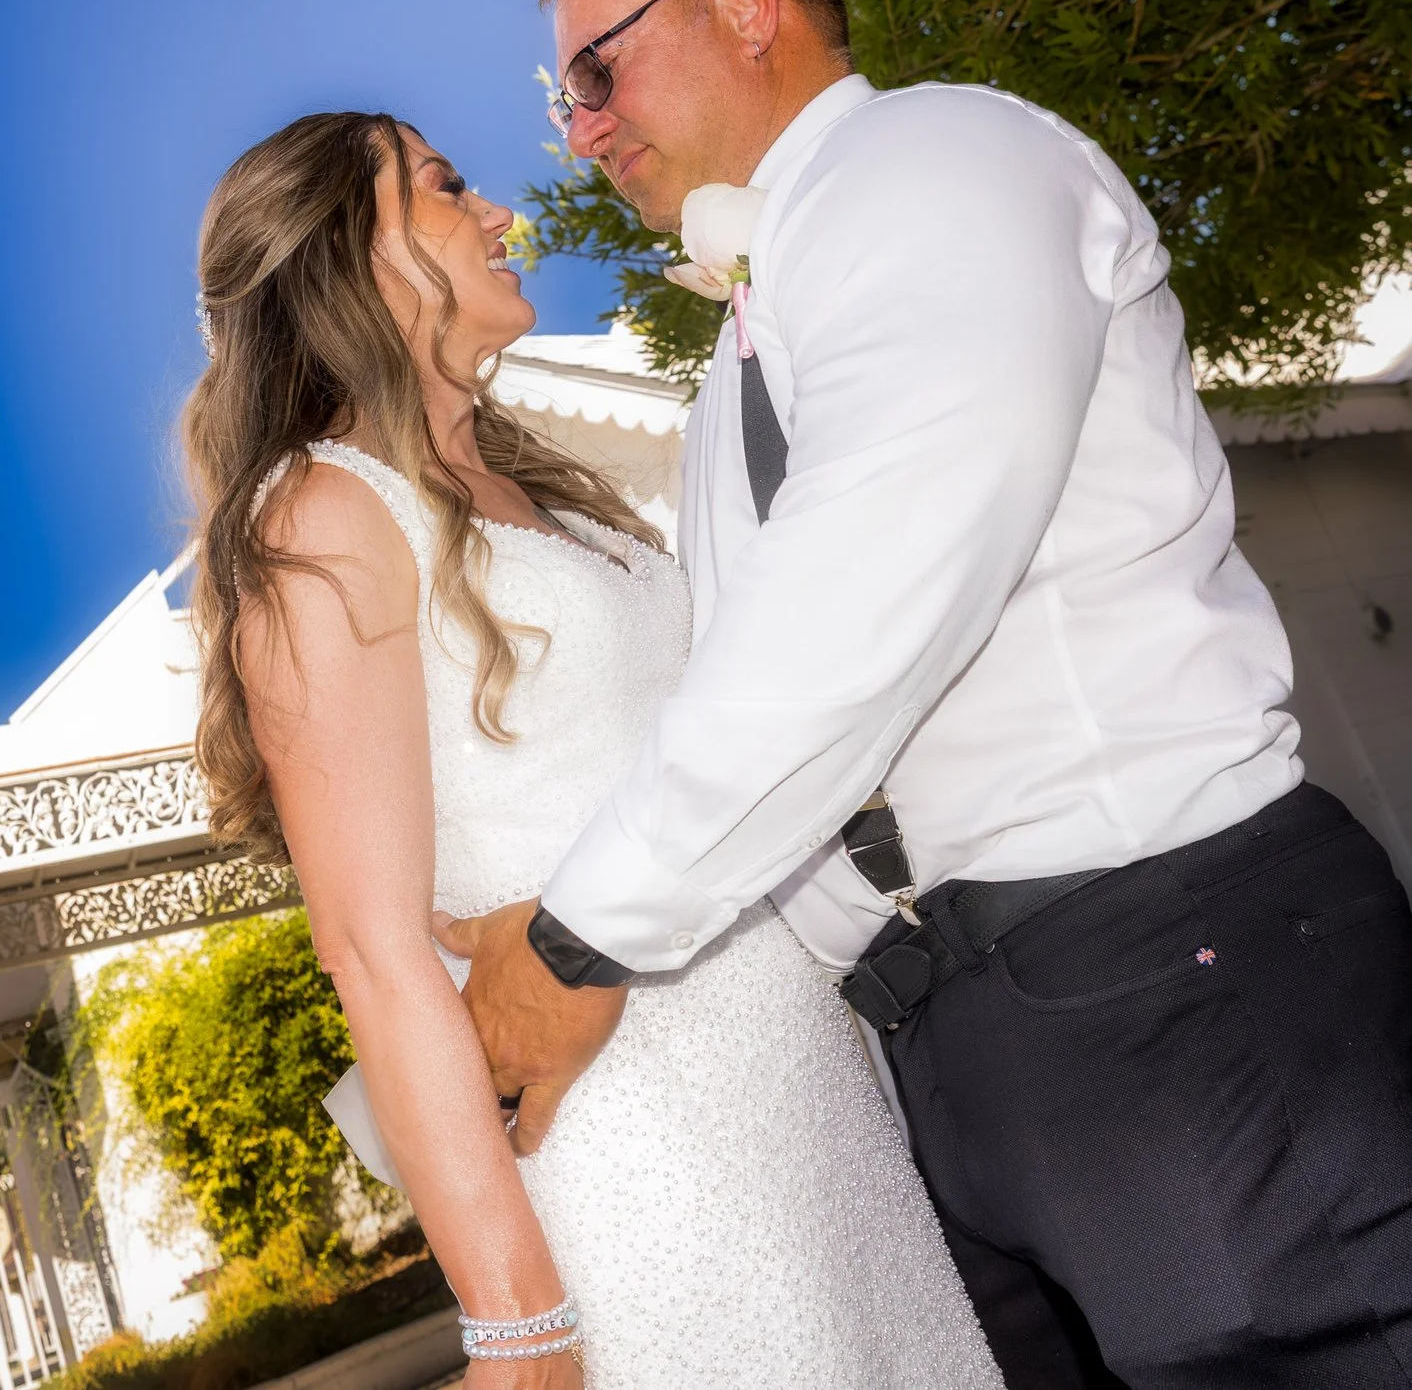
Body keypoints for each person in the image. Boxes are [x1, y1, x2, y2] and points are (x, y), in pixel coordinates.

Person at [438, 0, 1412, 1388]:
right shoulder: (728, 384)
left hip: (1169, 961)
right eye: (564, 95)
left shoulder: (936, 160)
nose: (581, 127)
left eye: (599, 68)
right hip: (961, 1061)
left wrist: (580, 937)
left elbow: (869, 589)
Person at [181, 110, 1002, 1386]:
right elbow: (370, 948)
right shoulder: (322, 514)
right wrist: (516, 1321)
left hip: (800, 1104)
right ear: (346, 252)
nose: (500, 211)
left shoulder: (546, 490)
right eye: (444, 188)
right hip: (632, 1146)